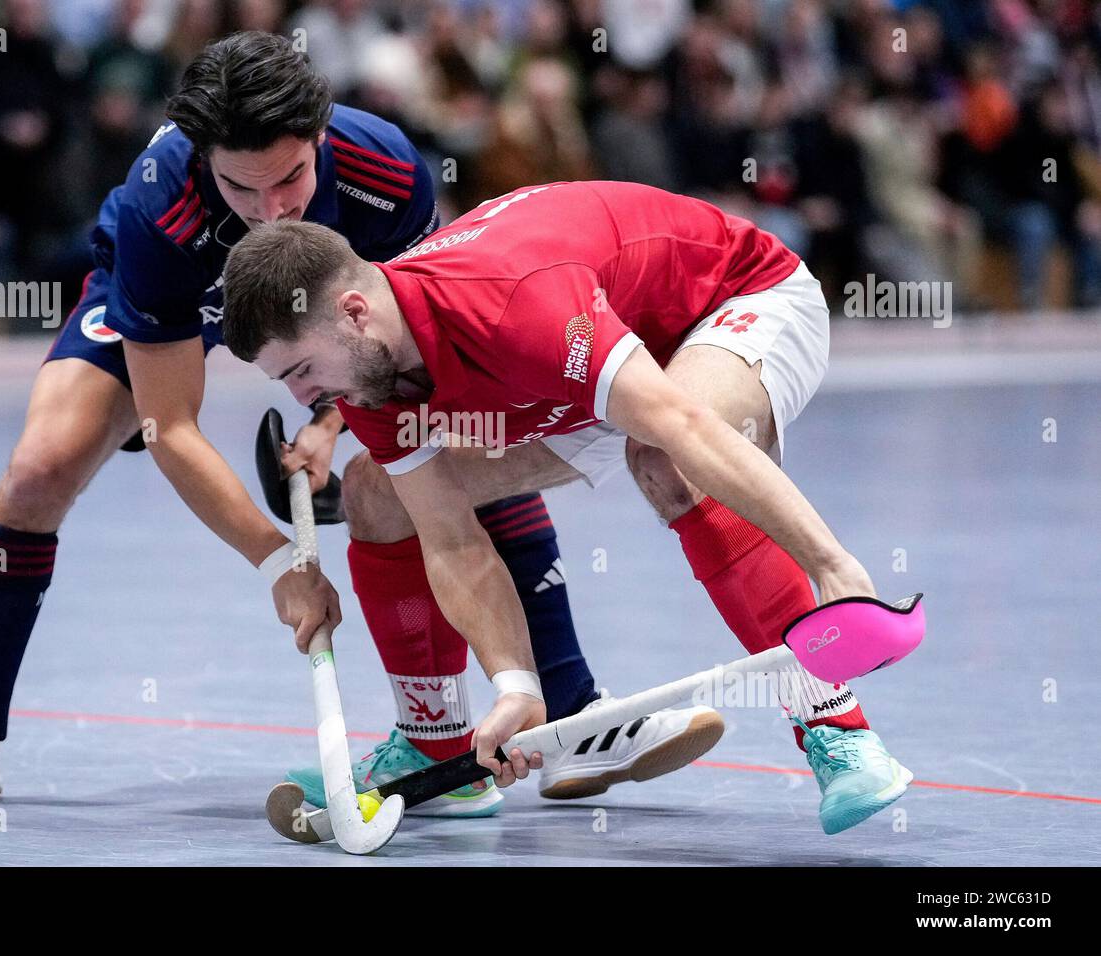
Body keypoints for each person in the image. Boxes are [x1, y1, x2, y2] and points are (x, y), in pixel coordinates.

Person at [0, 33, 713, 815]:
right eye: (241, 188)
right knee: (39, 470)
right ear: (204, 156)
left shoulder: (383, 173)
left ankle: (571, 714)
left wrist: (327, 422)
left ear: (319, 137)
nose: (270, 210)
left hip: (322, 308)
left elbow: (412, 366)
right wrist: (280, 561)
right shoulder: (159, 209)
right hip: (183, 301)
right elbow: (171, 426)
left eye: (289, 180)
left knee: (446, 442)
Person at [221, 180, 913, 834]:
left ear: (352, 313)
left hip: (733, 302)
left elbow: (683, 425)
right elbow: (452, 540)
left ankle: (838, 730)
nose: (304, 397)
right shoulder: (372, 378)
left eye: (302, 371)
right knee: (376, 494)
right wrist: (517, 685)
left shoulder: (514, 303)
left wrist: (832, 566)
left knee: (663, 453)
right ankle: (436, 744)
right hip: (599, 364)